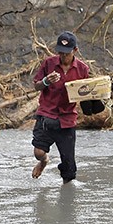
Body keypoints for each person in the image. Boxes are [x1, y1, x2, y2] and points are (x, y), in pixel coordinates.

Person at [31, 31, 90, 183]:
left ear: (75, 50)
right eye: (60, 53)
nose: (63, 56)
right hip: (46, 114)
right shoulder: (49, 64)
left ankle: (67, 198)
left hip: (67, 118)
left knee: (69, 169)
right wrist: (46, 81)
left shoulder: (82, 69)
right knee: (38, 152)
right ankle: (44, 161)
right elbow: (36, 86)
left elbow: (86, 92)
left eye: (67, 53)